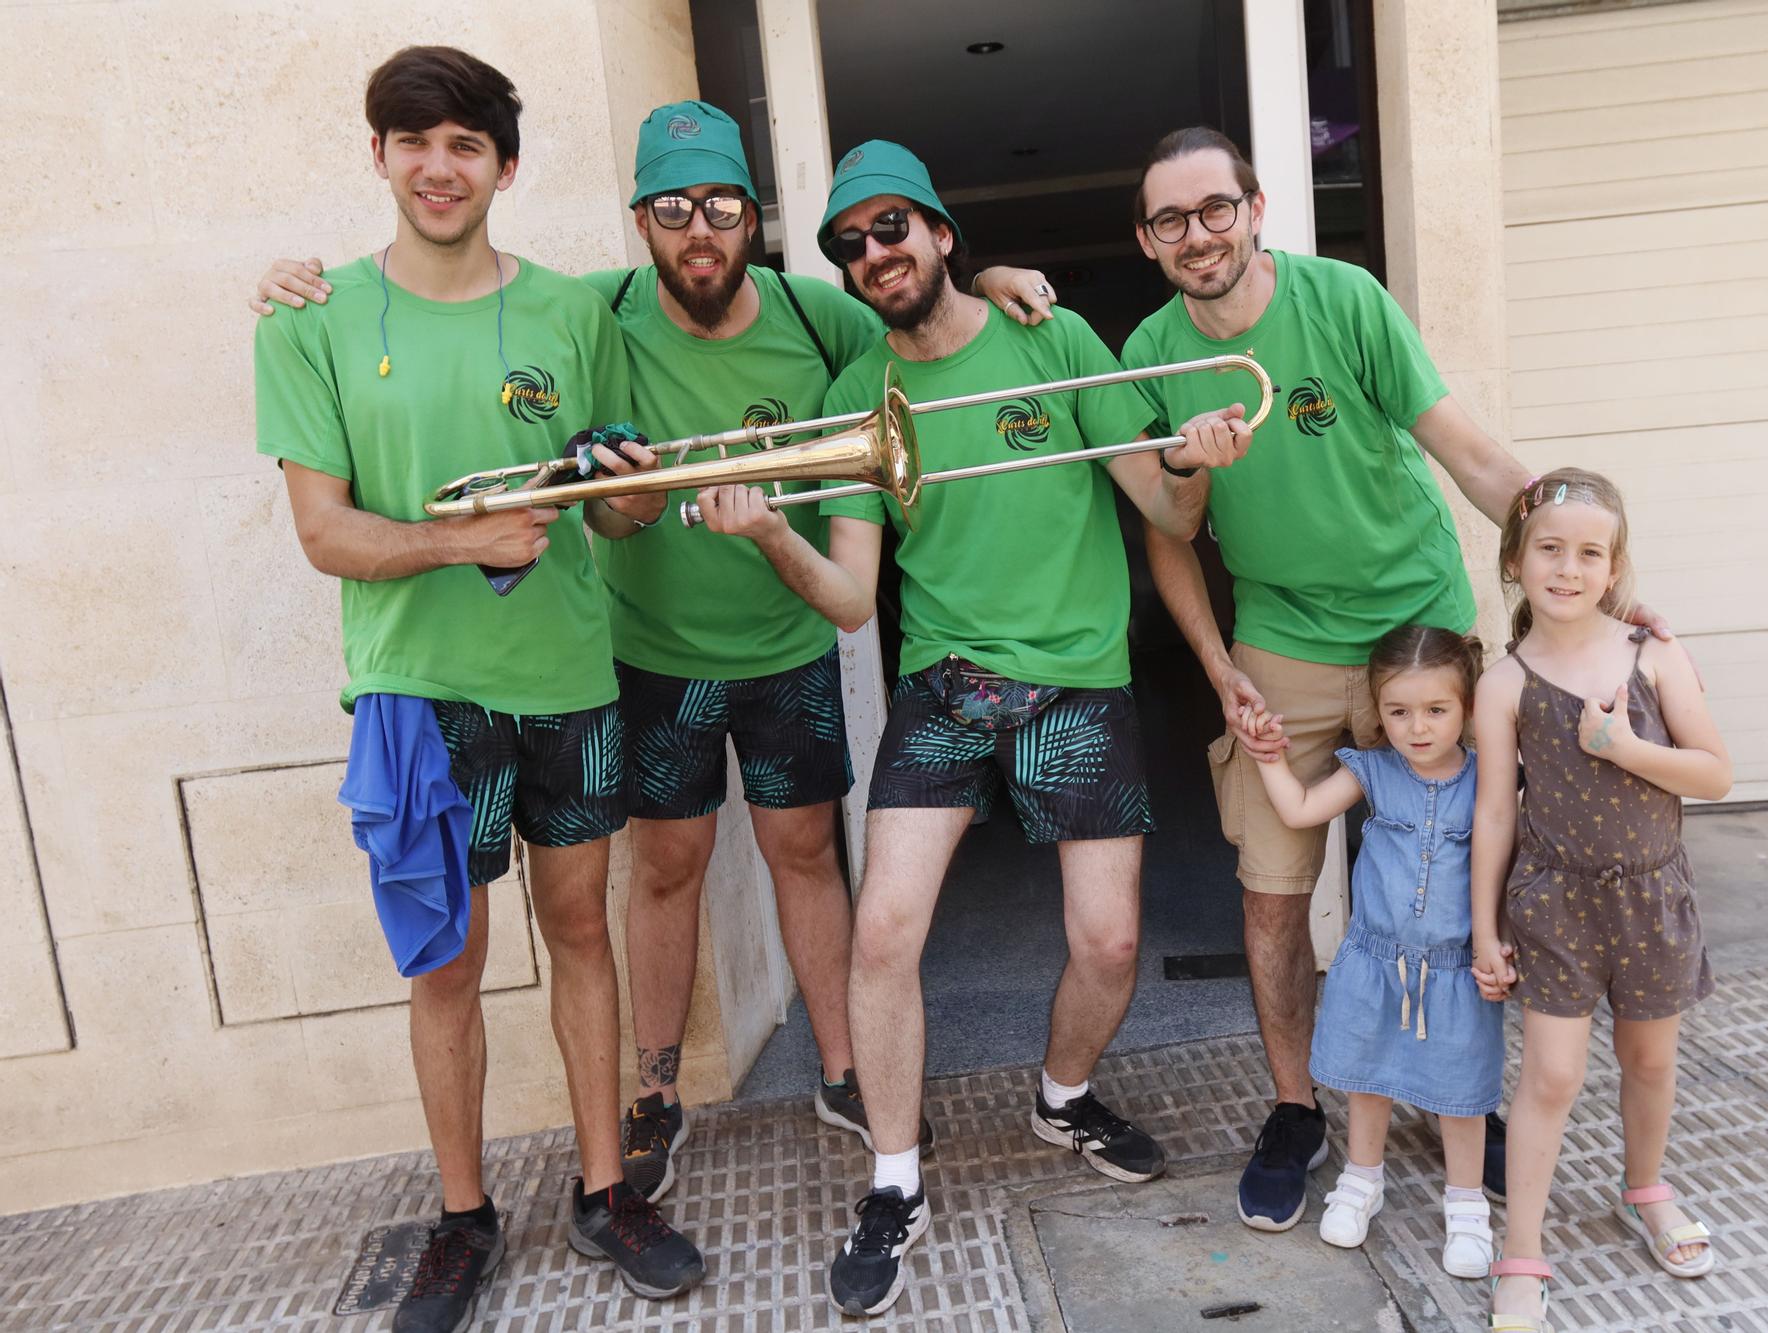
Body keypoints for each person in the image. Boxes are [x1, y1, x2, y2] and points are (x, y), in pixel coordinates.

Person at [249, 102, 1056, 1197]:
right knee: (665, 870)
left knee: (806, 855)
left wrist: (999, 276)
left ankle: (842, 1069)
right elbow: (452, 292)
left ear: (751, 219)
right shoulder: (595, 310)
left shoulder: (823, 316)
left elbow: (924, 316)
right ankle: (658, 1092)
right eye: (672, 209)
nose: (699, 230)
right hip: (649, 655)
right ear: (641, 221)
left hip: (785, 646)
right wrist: (292, 278)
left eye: (722, 206)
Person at [695, 140, 1252, 1317]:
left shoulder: (1046, 337)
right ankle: (893, 1180)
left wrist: (1195, 468)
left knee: (1107, 943)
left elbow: (1158, 498)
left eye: (891, 227)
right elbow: (850, 597)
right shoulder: (859, 397)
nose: (872, 254)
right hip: (943, 684)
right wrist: (767, 535)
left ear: (944, 236)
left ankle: (1061, 1095)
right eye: (848, 243)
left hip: (1082, 678)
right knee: (884, 932)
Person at [251, 47, 704, 1333]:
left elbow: (617, 515)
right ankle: (461, 1220)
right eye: (412, 141)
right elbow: (323, 534)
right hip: (415, 694)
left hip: (565, 678)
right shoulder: (311, 316)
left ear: (505, 166)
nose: (437, 167)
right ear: (378, 157)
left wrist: (633, 490)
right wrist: (463, 539)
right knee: (445, 964)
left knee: (580, 936)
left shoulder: (571, 313)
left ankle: (605, 1191)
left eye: (463, 145)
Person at [1120, 125, 1554, 1232]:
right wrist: (1217, 665)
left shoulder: (1344, 300)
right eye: (1170, 219)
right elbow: (1169, 531)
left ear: (1254, 209)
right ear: (1146, 240)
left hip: (1416, 633)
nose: (1196, 233)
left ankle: (1461, 1091)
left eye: (1213, 208)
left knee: (1461, 879)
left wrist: (1571, 563)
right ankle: (1293, 1107)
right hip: (1278, 638)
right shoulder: (1150, 357)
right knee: (1271, 896)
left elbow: (1466, 453)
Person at [1470, 469, 1730, 1331]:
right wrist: (1484, 928)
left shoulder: (1653, 655)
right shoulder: (1505, 683)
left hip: (1652, 896)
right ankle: (1523, 1249)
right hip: (1555, 904)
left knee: (1651, 1062)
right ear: (1516, 560)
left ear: (1614, 568)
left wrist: (1621, 746)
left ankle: (1644, 1189)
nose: (1568, 567)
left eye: (1590, 552)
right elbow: (1494, 814)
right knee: (1550, 1075)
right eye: (1549, 548)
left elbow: (1715, 772)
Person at [1247, 625, 1502, 1275]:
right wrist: (1270, 757)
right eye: (1398, 710)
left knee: (1461, 1089)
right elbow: (1303, 809)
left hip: (1454, 968)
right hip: (1377, 959)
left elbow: (1511, 868)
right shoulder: (1376, 771)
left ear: (1468, 707)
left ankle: (1467, 1206)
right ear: (1378, 709)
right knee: (1368, 1076)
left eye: (1436, 709)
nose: (1417, 726)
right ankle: (1363, 1180)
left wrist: (1502, 944)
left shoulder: (1492, 783)